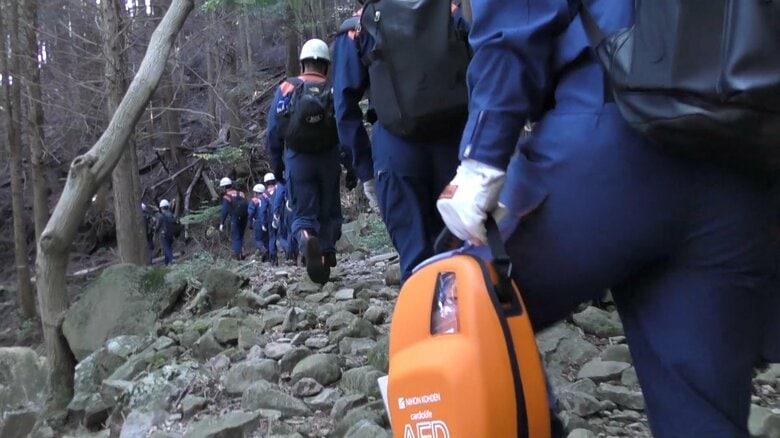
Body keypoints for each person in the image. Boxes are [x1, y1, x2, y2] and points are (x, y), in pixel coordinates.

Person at [435, 1, 776, 436]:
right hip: (739, 167)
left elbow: (516, 21)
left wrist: (481, 157)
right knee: (702, 413)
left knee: (446, 311)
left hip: (612, 133)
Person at [333, 0, 471, 284]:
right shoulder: (451, 12)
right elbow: (484, 73)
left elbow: (344, 109)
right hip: (456, 146)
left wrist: (365, 170)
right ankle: (473, 318)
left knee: (416, 256)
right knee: (465, 250)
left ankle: (427, 320)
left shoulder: (358, 28)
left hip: (396, 148)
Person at [267, 38, 344, 283]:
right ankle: (327, 251)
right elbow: (346, 125)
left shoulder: (287, 88)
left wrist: (278, 166)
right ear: (326, 65)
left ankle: (306, 238)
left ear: (302, 64)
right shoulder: (334, 88)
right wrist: (351, 163)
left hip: (298, 159)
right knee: (329, 209)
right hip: (329, 157)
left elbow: (273, 132)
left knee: (302, 212)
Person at [219, 176, 249, 260]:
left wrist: (222, 222)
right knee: (241, 235)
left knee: (235, 236)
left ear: (224, 187)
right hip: (244, 216)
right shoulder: (241, 193)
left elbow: (224, 210)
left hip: (235, 217)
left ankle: (238, 255)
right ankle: (243, 251)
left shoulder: (227, 196)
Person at [260, 172, 279, 265]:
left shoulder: (264, 195)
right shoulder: (280, 188)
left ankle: (274, 258)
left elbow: (263, 209)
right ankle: (292, 255)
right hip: (282, 214)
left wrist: (263, 222)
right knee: (286, 235)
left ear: (266, 183)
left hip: (271, 217)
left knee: (272, 237)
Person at [155, 199, 179, 266]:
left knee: (167, 248)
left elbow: (158, 226)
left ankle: (172, 260)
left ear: (161, 208)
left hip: (164, 234)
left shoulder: (161, 216)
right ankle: (166, 263)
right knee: (168, 248)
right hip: (171, 234)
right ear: (168, 206)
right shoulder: (172, 215)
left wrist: (155, 230)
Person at [248, 183, 267, 258]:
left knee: (258, 239)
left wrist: (250, 223)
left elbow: (251, 213)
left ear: (256, 192)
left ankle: (263, 250)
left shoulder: (254, 201)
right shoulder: (267, 198)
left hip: (258, 222)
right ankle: (268, 256)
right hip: (266, 221)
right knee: (266, 239)